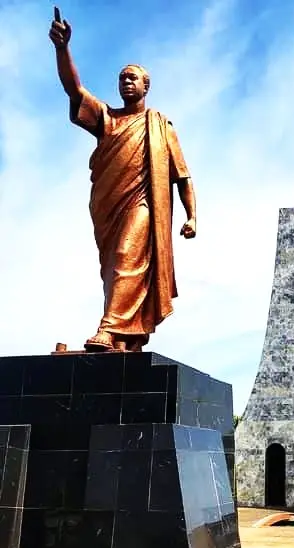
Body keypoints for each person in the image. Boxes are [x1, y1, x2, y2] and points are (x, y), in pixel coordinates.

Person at [49, 8, 196, 352]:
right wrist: (62, 48)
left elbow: (182, 176)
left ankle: (108, 328)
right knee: (116, 265)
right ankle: (127, 338)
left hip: (144, 204)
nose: (126, 82)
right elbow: (75, 90)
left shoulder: (160, 125)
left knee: (128, 259)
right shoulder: (108, 120)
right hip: (107, 207)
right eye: (121, 78)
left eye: (133, 78)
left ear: (146, 86)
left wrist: (192, 216)